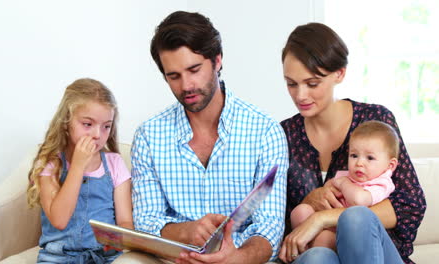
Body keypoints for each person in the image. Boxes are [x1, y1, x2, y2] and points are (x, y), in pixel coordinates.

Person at [115, 11, 288, 264]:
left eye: (194, 69)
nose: (186, 85)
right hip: (174, 257)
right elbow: (146, 221)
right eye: (173, 76)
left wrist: (235, 258)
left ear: (217, 61)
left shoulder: (265, 132)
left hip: (241, 259)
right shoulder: (149, 136)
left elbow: (269, 227)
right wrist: (187, 231)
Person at [278, 22, 426, 264]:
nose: (300, 95)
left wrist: (324, 218)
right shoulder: (283, 135)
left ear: (340, 73)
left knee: (356, 218)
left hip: (378, 255)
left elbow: (411, 205)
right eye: (291, 84)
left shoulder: (376, 120)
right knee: (316, 258)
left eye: (312, 83)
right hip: (319, 255)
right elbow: (274, 223)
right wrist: (308, 204)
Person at [27, 78, 133, 263]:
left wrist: (117, 241)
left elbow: (125, 221)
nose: (97, 135)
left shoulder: (115, 163)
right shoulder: (50, 164)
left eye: (106, 126)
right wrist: (77, 166)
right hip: (58, 257)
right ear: (66, 122)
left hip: (104, 256)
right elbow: (60, 220)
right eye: (87, 124)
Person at [290, 120, 399, 250]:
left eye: (369, 158)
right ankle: (303, 246)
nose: (359, 163)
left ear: (390, 165)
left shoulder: (382, 183)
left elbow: (359, 201)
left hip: (349, 235)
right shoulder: (347, 175)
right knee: (300, 211)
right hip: (328, 223)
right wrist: (328, 188)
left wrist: (343, 183)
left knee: (324, 239)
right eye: (354, 155)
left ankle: (312, 249)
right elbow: (328, 188)